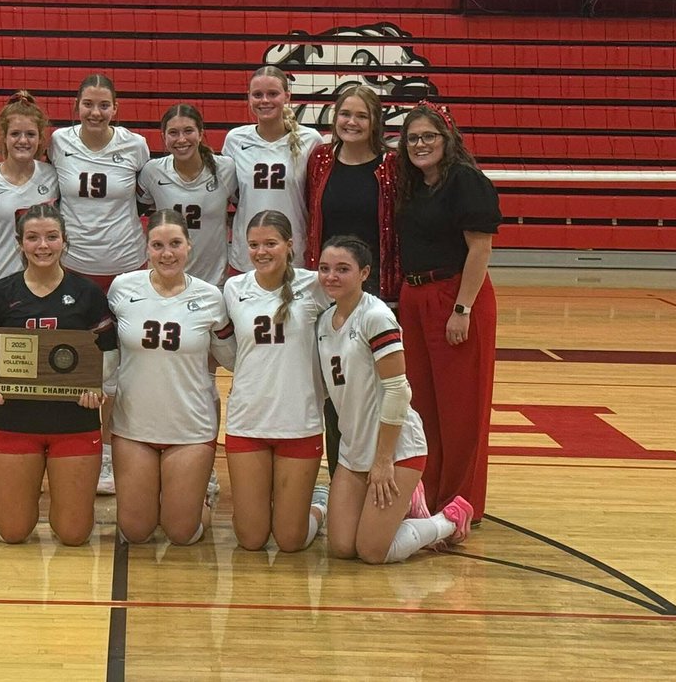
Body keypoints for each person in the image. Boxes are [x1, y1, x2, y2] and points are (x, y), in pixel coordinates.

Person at [315, 235, 472, 563]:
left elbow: (398, 391)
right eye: (325, 268)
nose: (332, 276)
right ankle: (403, 511)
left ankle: (447, 520)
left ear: (363, 273)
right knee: (342, 548)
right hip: (354, 448)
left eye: (343, 269)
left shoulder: (376, 316)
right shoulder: (323, 322)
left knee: (372, 552)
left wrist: (384, 460)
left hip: (396, 449)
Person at [0, 204, 117, 545]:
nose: (43, 245)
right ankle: (15, 499)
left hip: (74, 422)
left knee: (73, 535)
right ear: (20, 243)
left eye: (52, 237)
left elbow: (109, 353)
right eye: (33, 238)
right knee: (12, 533)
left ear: (64, 242)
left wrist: (93, 384)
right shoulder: (0, 293)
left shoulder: (87, 294)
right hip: (16, 421)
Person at [395, 101, 501, 518]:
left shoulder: (466, 181)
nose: (420, 145)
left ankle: (461, 504)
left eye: (428, 136)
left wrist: (463, 309)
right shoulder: (414, 184)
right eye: (413, 138)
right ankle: (430, 493)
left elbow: (481, 248)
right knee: (422, 406)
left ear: (447, 139)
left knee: (462, 410)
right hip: (415, 296)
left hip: (455, 295)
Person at [107, 209, 235, 545]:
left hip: (190, 426)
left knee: (181, 532)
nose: (167, 253)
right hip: (134, 425)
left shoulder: (210, 297)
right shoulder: (122, 288)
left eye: (175, 243)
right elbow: (103, 349)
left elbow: (233, 357)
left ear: (189, 246)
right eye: (158, 245)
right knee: (135, 532)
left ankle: (196, 497)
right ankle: (166, 494)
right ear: (146, 248)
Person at [48, 73, 149, 495]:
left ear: (115, 109)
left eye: (103, 105)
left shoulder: (135, 145)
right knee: (70, 364)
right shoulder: (58, 142)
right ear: (77, 107)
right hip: (73, 268)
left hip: (125, 267)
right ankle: (69, 446)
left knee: (120, 369)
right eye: (88, 104)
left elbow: (147, 196)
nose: (95, 112)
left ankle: (110, 453)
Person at [304, 84, 400, 478]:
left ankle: (384, 468)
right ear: (335, 118)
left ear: (375, 121)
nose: (352, 122)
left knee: (377, 386)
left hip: (375, 288)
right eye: (346, 114)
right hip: (328, 285)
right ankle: (341, 475)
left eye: (362, 115)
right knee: (335, 386)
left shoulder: (392, 165)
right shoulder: (321, 159)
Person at [222, 210, 329, 552]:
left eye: (270, 243)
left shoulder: (314, 285)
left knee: (290, 541)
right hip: (247, 420)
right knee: (251, 539)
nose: (261, 252)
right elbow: (226, 349)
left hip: (299, 421)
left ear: (289, 244)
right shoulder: (233, 288)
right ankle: (274, 505)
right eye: (253, 245)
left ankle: (318, 503)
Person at [222, 66, 321, 275]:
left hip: (294, 255)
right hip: (247, 256)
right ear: (248, 98)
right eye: (257, 95)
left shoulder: (311, 140)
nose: (264, 100)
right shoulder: (235, 140)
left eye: (273, 94)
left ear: (287, 96)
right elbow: (228, 195)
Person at [137, 104, 238, 288]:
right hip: (168, 282)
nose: (181, 139)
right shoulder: (153, 172)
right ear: (164, 137)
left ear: (200, 134)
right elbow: (131, 213)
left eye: (188, 131)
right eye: (173, 133)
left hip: (214, 284)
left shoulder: (226, 170)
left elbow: (244, 211)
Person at [0, 90, 59, 289]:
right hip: (0, 281)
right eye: (15, 134)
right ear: (4, 137)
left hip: (45, 283)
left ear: (40, 138)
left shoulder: (53, 176)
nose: (23, 141)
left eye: (30, 134)